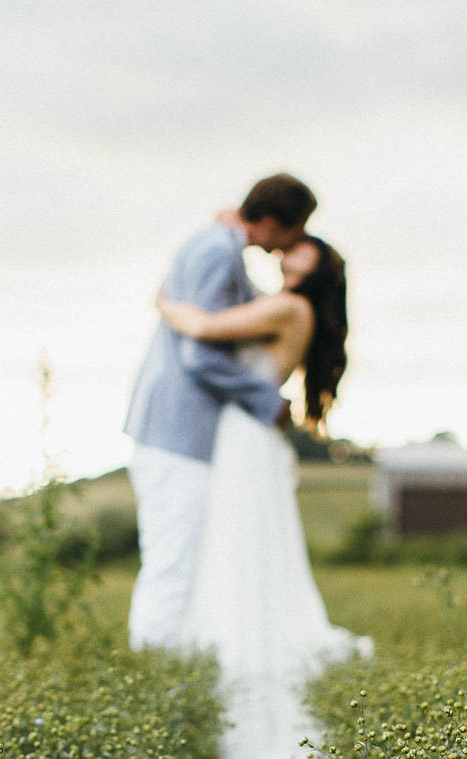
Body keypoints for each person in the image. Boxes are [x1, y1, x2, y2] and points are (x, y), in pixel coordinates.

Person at [152, 233, 372, 759]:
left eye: (300, 251)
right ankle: (227, 707)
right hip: (246, 437)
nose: (287, 252)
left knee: (238, 562)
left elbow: (203, 327)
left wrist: (164, 300)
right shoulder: (287, 307)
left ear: (312, 273)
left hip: (243, 442)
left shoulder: (287, 307)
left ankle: (242, 718)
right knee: (241, 560)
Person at [122, 174, 315, 654]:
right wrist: (269, 402)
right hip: (179, 430)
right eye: (296, 229)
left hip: (174, 428)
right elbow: (199, 355)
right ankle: (152, 664)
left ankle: (167, 660)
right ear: (271, 223)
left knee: (179, 558)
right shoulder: (218, 251)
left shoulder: (214, 244)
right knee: (172, 562)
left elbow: (236, 315)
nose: (295, 241)